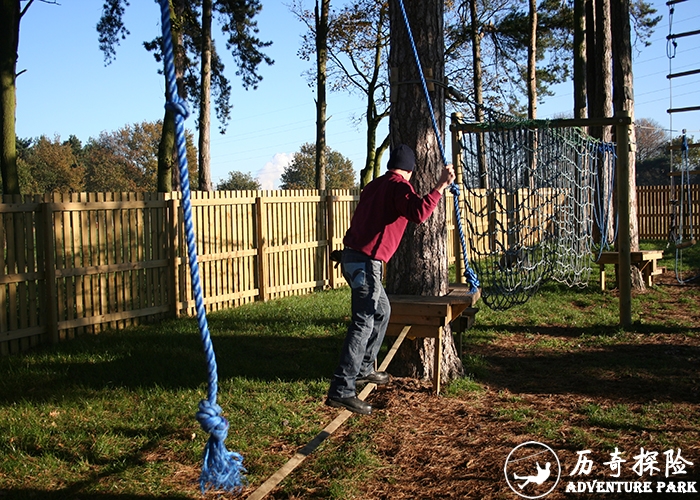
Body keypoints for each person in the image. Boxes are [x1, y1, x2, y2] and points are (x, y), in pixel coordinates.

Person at [326, 144, 456, 415]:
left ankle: (363, 369)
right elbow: (419, 213)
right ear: (410, 169)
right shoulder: (399, 187)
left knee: (382, 311)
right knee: (363, 321)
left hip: (352, 260)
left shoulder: (374, 186)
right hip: (365, 263)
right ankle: (342, 389)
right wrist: (441, 186)